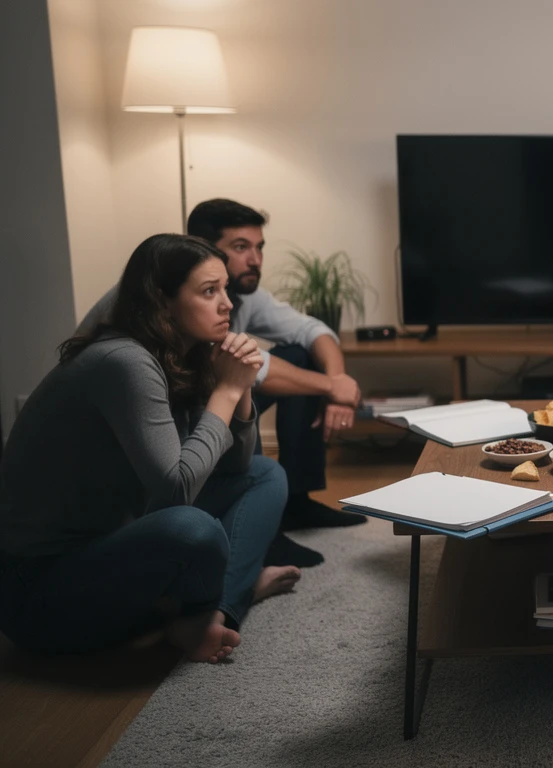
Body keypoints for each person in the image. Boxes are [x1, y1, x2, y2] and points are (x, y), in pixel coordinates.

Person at [0, 234, 302, 662]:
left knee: (265, 474)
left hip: (113, 542)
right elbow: (175, 493)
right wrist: (228, 390)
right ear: (163, 302)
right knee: (193, 530)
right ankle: (229, 591)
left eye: (225, 289)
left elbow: (235, 466)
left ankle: (212, 613)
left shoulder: (186, 354)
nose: (228, 304)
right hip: (39, 590)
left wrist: (242, 389)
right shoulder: (125, 362)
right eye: (209, 291)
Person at [78, 199, 366, 569]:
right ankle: (264, 532)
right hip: (127, 457)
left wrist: (337, 381)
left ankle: (293, 501)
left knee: (297, 357)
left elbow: (312, 330)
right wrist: (328, 388)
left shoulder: (235, 295)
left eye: (259, 247)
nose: (256, 259)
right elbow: (248, 370)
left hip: (184, 418)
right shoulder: (154, 312)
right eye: (241, 247)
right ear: (200, 246)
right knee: (245, 377)